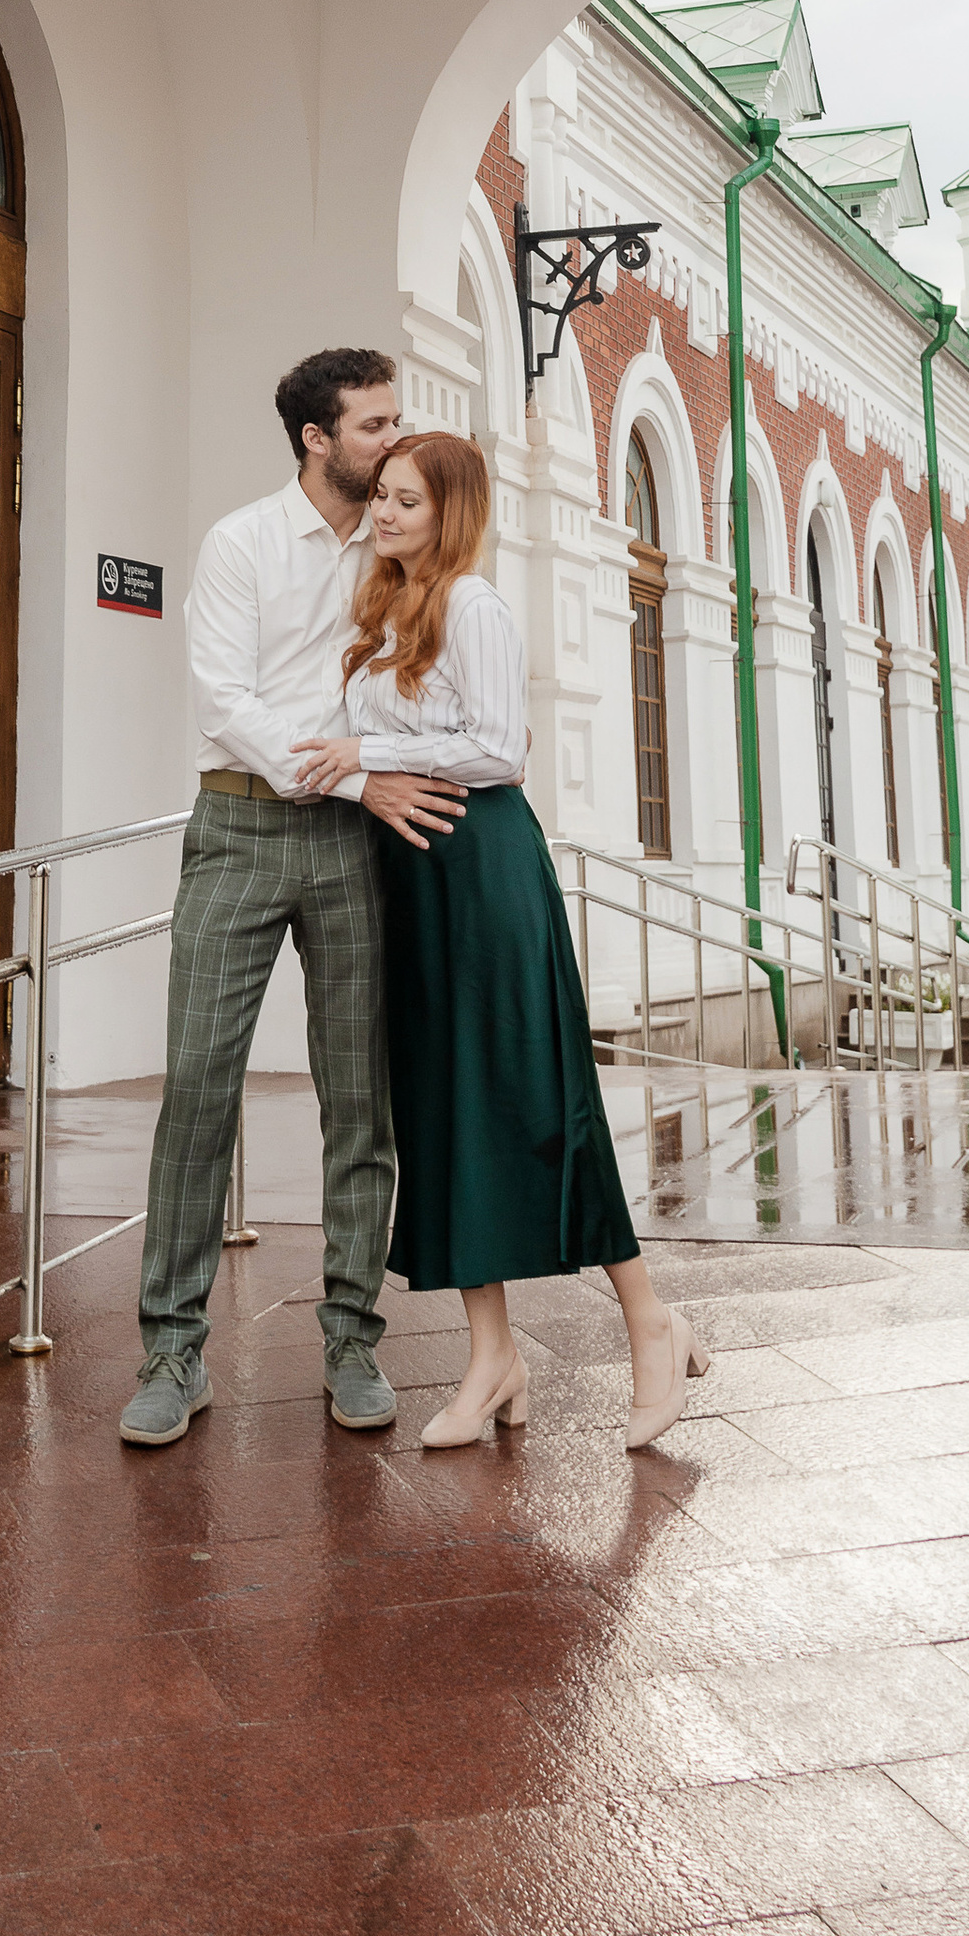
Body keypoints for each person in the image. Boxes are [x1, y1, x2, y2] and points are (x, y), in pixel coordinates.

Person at [292, 429, 707, 1451]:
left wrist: (366, 748)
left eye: (407, 503)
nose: (383, 514)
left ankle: (650, 1321)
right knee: (443, 1114)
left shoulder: (470, 604)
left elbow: (500, 751)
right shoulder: (383, 608)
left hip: (485, 873)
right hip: (414, 879)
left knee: (538, 1101)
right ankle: (492, 1358)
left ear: (451, 514)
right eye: (381, 497)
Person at [120, 348, 470, 1449]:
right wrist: (361, 774)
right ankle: (171, 1353)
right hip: (236, 832)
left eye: (393, 421)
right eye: (372, 426)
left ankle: (351, 1337)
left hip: (352, 846)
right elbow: (224, 705)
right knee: (198, 1090)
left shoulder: (395, 539)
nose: (391, 441)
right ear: (317, 440)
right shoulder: (242, 543)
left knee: (358, 1099)